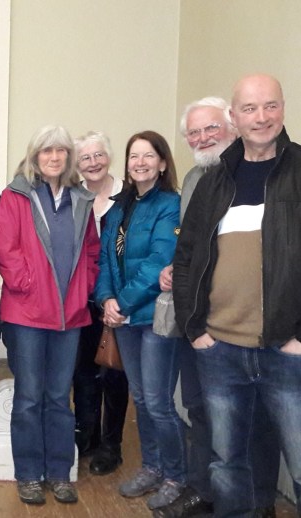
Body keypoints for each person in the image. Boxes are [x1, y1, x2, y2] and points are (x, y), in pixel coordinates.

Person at [173, 74, 301, 517]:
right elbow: (187, 257)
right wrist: (195, 328)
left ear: (283, 109)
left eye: (269, 106)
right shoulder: (215, 181)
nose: (261, 117)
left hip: (289, 350)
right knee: (226, 465)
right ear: (235, 117)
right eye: (250, 109)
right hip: (220, 351)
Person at [154, 97, 279, 518]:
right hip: (200, 320)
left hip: (248, 324)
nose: (202, 137)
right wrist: (175, 270)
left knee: (255, 420)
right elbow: (191, 246)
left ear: (232, 125)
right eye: (193, 132)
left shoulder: (258, 176)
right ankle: (206, 492)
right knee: (200, 408)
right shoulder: (194, 178)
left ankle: (259, 502)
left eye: (210, 128)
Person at [0, 125, 99, 505]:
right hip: (26, 316)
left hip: (69, 318)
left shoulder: (80, 199)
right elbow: (5, 249)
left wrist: (83, 289)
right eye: (46, 151)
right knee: (28, 397)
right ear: (35, 156)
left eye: (61, 151)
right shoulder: (16, 196)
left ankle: (59, 471)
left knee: (59, 396)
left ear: (69, 157)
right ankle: (28, 475)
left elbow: (91, 252)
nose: (54, 157)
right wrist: (30, 286)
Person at [94, 130, 186, 511]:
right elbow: (105, 262)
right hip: (125, 319)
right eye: (134, 156)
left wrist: (125, 303)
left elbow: (159, 262)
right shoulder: (119, 208)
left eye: (149, 156)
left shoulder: (171, 205)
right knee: (143, 399)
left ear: (163, 162)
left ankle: (177, 476)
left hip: (155, 318)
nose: (141, 162)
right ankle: (152, 467)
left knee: (160, 402)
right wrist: (106, 300)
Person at [71, 131, 130, 477]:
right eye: (85, 158)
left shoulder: (127, 196)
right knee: (84, 372)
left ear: (108, 157)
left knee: (114, 374)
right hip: (82, 301)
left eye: (98, 155)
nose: (93, 163)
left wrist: (116, 300)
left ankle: (112, 446)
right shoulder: (74, 197)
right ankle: (86, 436)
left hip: (118, 302)